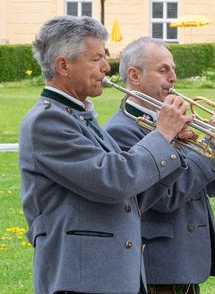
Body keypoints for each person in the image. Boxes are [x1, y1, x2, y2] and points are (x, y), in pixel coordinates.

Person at [18, 16, 192, 294]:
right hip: (81, 279)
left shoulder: (79, 116)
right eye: (96, 58)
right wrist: (162, 135)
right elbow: (115, 180)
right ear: (64, 65)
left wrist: (173, 144)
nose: (106, 67)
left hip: (111, 276)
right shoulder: (46, 121)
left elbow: (132, 197)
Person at [105, 37, 215, 294]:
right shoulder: (122, 129)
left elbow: (206, 187)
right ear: (134, 76)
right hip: (160, 265)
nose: (173, 77)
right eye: (163, 70)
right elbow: (167, 197)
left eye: (173, 69)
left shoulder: (173, 121)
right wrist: (211, 140)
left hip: (186, 259)